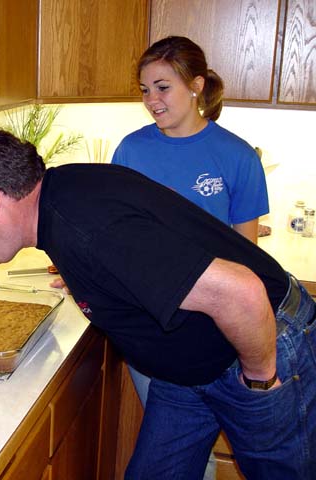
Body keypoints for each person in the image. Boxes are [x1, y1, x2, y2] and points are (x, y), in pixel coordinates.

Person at [0, 124, 316, 479]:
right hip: (190, 369)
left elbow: (240, 292)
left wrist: (261, 383)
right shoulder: (60, 194)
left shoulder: (90, 229)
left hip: (258, 343)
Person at [109, 35, 270, 477]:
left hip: (213, 327)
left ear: (196, 85)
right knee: (179, 447)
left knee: (188, 446)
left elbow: (246, 258)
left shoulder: (238, 157)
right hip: (149, 324)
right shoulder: (130, 151)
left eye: (163, 87)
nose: (151, 101)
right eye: (145, 90)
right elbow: (114, 238)